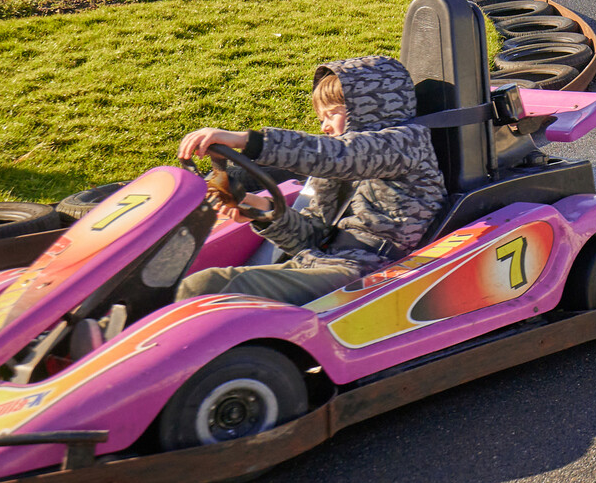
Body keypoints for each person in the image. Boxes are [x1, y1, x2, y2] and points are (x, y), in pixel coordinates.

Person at [172, 55, 446, 304]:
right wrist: (258, 209)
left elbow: (340, 155)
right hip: (320, 262)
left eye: (333, 113)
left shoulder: (406, 144)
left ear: (370, 108)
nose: (324, 126)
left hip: (372, 272)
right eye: (321, 118)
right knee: (200, 282)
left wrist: (247, 140)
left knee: (220, 290)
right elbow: (310, 237)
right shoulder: (334, 171)